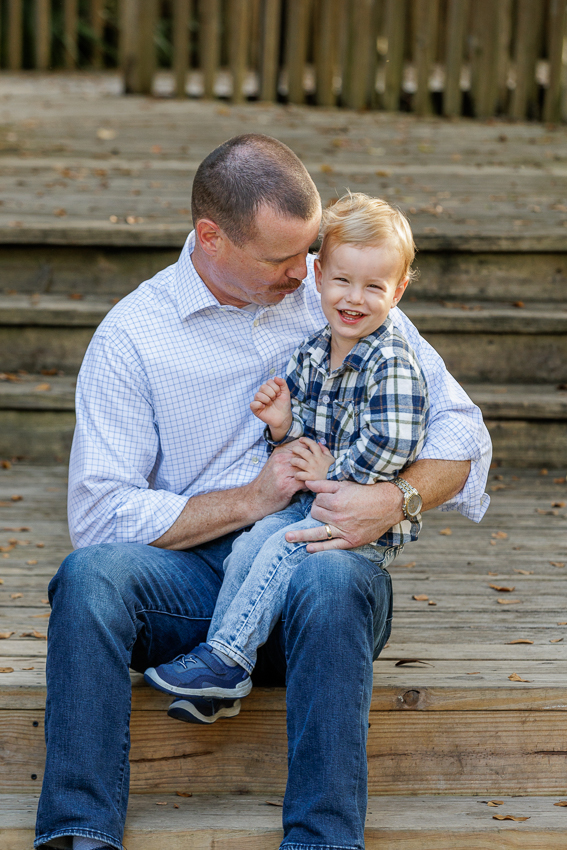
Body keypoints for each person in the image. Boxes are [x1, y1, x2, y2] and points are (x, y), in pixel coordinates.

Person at [35, 133, 491, 850]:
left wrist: (395, 499)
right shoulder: (133, 337)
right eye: (283, 259)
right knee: (89, 578)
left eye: (309, 250)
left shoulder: (340, 295)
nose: (306, 271)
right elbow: (99, 516)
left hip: (316, 586)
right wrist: (250, 498)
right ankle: (80, 833)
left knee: (332, 579)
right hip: (192, 591)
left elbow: (462, 432)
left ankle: (320, 840)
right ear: (211, 238)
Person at [143, 193, 430, 710]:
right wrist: (282, 426)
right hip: (311, 500)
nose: (354, 298)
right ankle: (223, 661)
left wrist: (332, 473)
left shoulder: (393, 360)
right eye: (342, 281)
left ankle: (227, 660)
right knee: (251, 545)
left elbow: (394, 440)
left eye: (374, 287)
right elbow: (304, 441)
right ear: (319, 276)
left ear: (399, 290)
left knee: (282, 548)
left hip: (356, 519)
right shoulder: (314, 351)